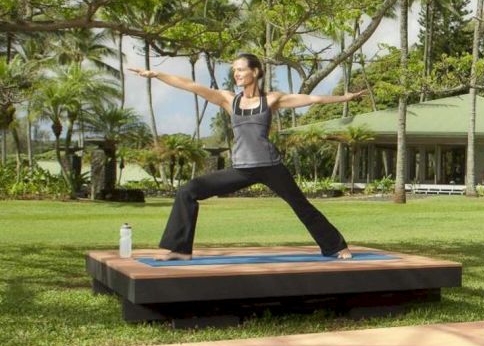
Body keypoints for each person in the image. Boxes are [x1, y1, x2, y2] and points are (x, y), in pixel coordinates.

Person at [128, 53, 366, 261]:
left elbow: (313, 99)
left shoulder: (271, 99)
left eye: (240, 69)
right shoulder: (229, 100)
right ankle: (179, 249)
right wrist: (156, 74)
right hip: (241, 169)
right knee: (188, 190)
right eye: (234, 70)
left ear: (255, 71)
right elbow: (189, 85)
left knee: (301, 205)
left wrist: (345, 98)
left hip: (271, 167)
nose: (236, 74)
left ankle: (336, 246)